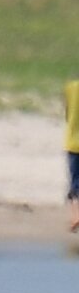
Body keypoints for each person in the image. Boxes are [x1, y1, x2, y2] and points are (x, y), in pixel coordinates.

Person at [64, 79, 79, 232]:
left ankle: (76, 216)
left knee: (75, 181)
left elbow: (67, 115)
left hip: (73, 142)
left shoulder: (70, 88)